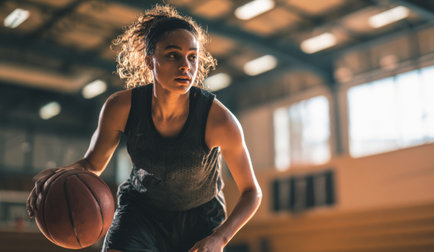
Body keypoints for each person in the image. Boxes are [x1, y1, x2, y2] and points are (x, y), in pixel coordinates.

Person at [26, 5, 262, 252]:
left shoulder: (219, 120)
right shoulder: (121, 107)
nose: (185, 66)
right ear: (150, 61)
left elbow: (251, 192)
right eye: (173, 55)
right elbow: (91, 165)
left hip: (200, 217)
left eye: (192, 56)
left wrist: (220, 238)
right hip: (142, 212)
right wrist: (54, 176)